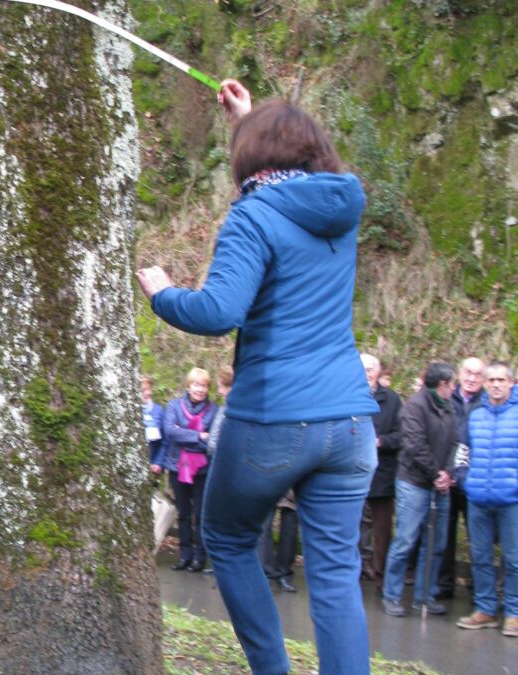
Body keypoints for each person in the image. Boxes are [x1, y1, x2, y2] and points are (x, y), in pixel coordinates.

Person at [136, 80, 379, 674]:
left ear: (251, 161)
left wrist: (163, 293)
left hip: (274, 417)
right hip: (350, 423)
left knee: (225, 536)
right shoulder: (340, 208)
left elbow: (219, 312)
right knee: (335, 577)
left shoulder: (253, 214)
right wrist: (248, 121)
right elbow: (286, 180)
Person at [381, 362, 457, 617]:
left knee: (435, 543)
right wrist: (436, 473)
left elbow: (455, 441)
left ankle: (425, 595)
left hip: (440, 484)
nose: (454, 388)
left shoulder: (449, 406)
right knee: (405, 540)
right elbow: (414, 445)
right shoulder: (415, 406)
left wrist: (447, 473)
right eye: (452, 383)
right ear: (443, 385)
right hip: (414, 483)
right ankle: (391, 595)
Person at [457, 361, 518, 637]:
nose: (495, 384)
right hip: (478, 498)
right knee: (480, 557)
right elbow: (462, 452)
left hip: (512, 500)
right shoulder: (475, 413)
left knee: (514, 559)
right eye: (490, 379)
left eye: (500, 380)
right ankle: (486, 610)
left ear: (511, 383)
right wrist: (464, 480)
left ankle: (514, 614)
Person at [158, 367, 217, 573]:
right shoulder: (174, 406)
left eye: (204, 386)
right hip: (177, 467)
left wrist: (189, 437)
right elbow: (171, 432)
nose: (200, 389)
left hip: (202, 470)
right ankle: (185, 555)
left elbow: (211, 441)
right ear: (188, 386)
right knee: (183, 513)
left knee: (200, 515)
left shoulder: (213, 410)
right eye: (196, 385)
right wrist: (197, 436)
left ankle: (200, 557)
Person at [438, 356, 484, 599]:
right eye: (468, 372)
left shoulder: (487, 401)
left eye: (478, 374)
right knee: (444, 536)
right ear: (460, 374)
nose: (472, 378)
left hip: (473, 479)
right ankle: (444, 585)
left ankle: (479, 587)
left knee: (477, 537)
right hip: (447, 475)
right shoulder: (447, 397)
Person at [360, 353, 403, 592]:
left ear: (377, 373)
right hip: (351, 471)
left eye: (369, 369)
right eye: (361, 369)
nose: (365, 374)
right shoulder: (345, 396)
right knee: (352, 527)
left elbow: (401, 436)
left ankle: (381, 577)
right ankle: (353, 572)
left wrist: (380, 442)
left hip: (382, 473)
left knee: (382, 530)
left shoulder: (392, 400)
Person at [257, 490, 299, 593]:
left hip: (293, 480)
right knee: (263, 526)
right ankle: (265, 574)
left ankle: (284, 574)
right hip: (267, 480)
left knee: (290, 527)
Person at [142, 375, 164, 473]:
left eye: (149, 389)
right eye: (143, 390)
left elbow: (165, 440)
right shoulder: (127, 411)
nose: (148, 393)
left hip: (153, 467)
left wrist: (158, 462)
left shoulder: (158, 410)